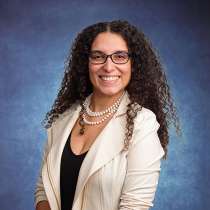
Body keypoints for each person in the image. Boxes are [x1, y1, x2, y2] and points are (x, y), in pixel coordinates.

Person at [34, 20, 180, 210]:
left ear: (133, 64)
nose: (108, 67)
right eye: (98, 56)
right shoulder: (63, 119)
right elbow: (43, 191)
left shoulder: (143, 124)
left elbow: (134, 206)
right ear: (85, 63)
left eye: (120, 56)